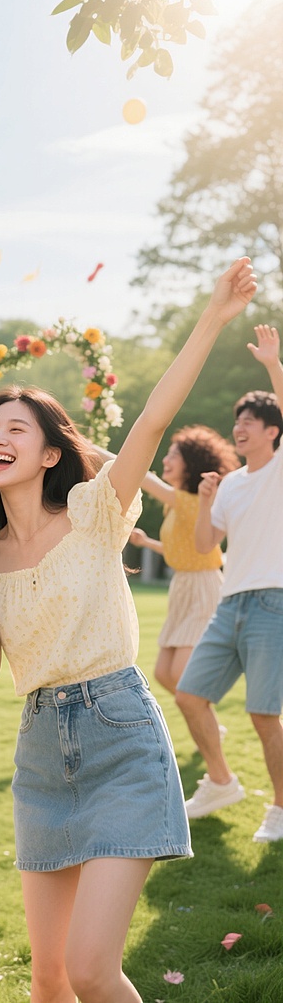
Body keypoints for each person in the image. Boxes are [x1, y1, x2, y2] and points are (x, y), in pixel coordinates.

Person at [0, 258, 256, 1003]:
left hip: (119, 734)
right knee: (49, 979)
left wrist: (212, 316)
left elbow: (151, 420)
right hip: (41, 750)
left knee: (90, 970)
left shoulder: (92, 511)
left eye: (16, 427)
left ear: (50, 451)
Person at [176, 325, 283, 843]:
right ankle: (221, 782)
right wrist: (204, 499)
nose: (239, 428)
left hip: (274, 604)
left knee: (264, 714)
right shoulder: (233, 484)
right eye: (236, 421)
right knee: (191, 695)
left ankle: (281, 808)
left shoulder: (280, 468)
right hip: (230, 602)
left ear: (272, 431)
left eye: (250, 421)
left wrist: (272, 365)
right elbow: (204, 544)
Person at [129, 427, 239, 695]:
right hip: (183, 584)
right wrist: (147, 543)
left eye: (173, 455)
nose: (165, 460)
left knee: (180, 673)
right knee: (164, 674)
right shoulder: (177, 506)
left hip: (204, 585)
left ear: (190, 465)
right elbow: (179, 551)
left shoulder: (189, 501)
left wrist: (93, 449)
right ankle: (203, 716)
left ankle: (206, 720)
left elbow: (142, 477)